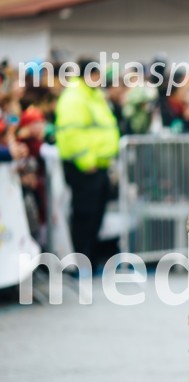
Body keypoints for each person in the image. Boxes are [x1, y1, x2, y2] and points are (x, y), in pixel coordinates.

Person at [54, 58, 120, 269]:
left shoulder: (93, 95)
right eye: (97, 74)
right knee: (84, 215)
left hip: (99, 165)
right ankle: (81, 261)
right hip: (84, 167)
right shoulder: (74, 96)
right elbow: (71, 132)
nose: (100, 78)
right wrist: (86, 161)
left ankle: (89, 259)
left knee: (96, 214)